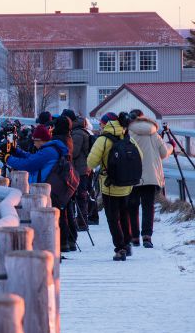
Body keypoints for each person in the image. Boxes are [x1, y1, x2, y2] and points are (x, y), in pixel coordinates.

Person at [87, 112, 141, 261]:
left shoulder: (103, 140)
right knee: (125, 215)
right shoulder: (127, 137)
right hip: (127, 185)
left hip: (109, 185)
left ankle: (120, 248)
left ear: (105, 124)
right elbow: (140, 156)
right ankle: (127, 243)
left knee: (113, 218)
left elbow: (91, 163)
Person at [127, 109, 174, 248]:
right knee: (148, 207)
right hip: (151, 176)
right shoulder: (154, 133)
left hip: (132, 176)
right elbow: (164, 153)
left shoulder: (128, 132)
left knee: (132, 206)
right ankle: (147, 237)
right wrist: (171, 145)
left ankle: (134, 237)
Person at [51, 115, 78, 252]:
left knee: (61, 212)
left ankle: (63, 242)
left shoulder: (58, 140)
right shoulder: (69, 138)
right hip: (69, 175)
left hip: (60, 177)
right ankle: (71, 240)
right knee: (68, 210)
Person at [64, 109, 92, 231]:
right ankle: (81, 220)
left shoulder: (77, 133)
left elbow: (73, 152)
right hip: (81, 168)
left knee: (81, 195)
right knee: (81, 195)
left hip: (80, 169)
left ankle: (82, 221)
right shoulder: (79, 130)